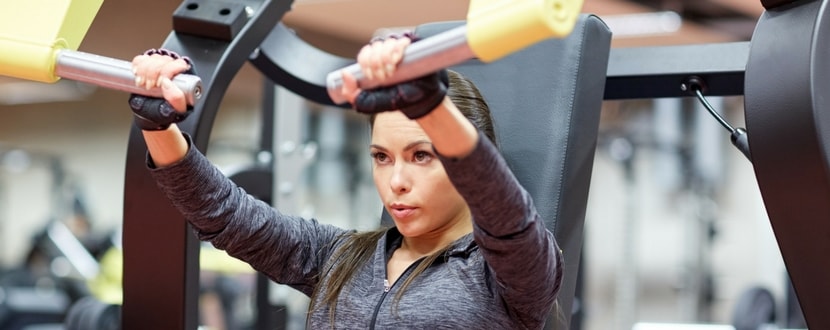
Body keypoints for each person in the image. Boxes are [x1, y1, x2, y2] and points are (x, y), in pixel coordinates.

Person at [128, 35, 563, 329]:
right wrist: (156, 122)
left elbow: (508, 216)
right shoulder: (342, 257)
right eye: (381, 157)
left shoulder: (509, 273)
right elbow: (225, 214)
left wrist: (430, 103)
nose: (396, 181)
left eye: (422, 156)